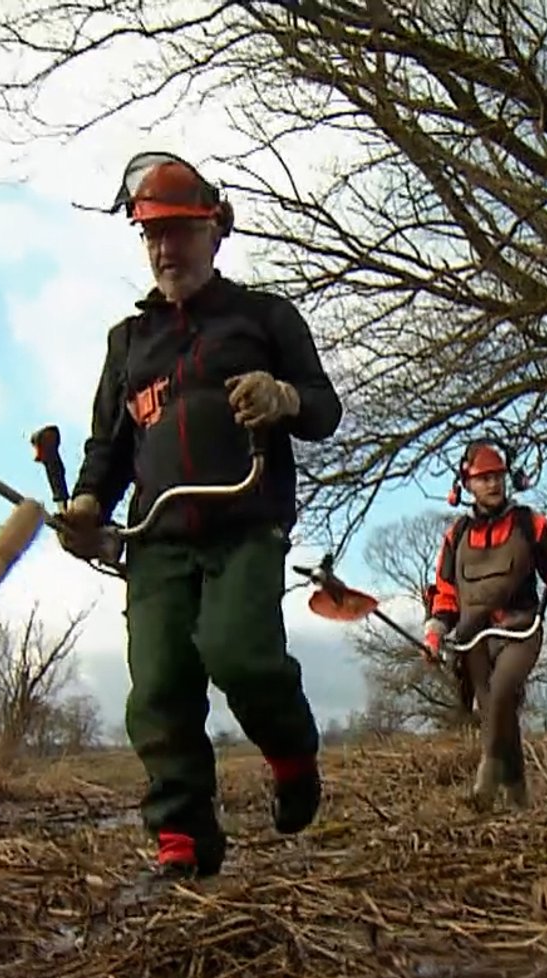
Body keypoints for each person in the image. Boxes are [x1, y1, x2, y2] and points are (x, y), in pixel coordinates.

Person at [54, 151, 343, 883]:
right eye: (150, 234)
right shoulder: (128, 343)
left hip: (245, 522)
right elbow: (108, 448)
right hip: (156, 540)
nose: (163, 249)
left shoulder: (264, 317)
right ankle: (182, 840)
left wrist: (284, 398)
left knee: (238, 652)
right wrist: (88, 504)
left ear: (214, 229)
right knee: (158, 683)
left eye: (179, 231)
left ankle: (292, 755)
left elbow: (323, 409)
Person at [424, 440, 547, 810]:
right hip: (472, 639)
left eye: (497, 476)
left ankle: (486, 783)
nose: (493, 485)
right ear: (467, 485)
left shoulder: (531, 524)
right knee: (496, 715)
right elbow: (446, 593)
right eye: (483, 479)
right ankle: (519, 799)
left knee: (500, 694)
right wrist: (435, 632)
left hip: (520, 629)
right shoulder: (456, 536)